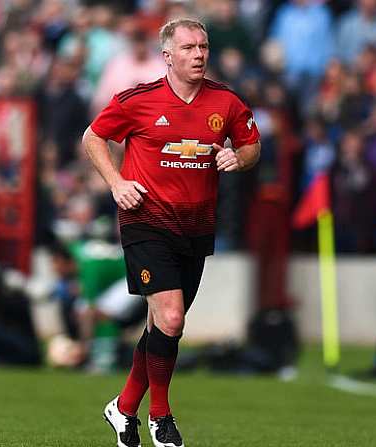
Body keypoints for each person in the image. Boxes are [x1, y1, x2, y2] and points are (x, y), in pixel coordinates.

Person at [81, 18, 260, 447]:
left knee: (164, 326)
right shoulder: (137, 100)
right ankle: (160, 418)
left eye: (203, 46)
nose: (198, 54)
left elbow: (252, 145)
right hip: (146, 220)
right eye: (188, 48)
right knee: (173, 317)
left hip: (195, 225)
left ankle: (124, 409)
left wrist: (239, 159)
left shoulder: (227, 102)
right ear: (167, 56)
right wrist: (117, 183)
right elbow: (93, 137)